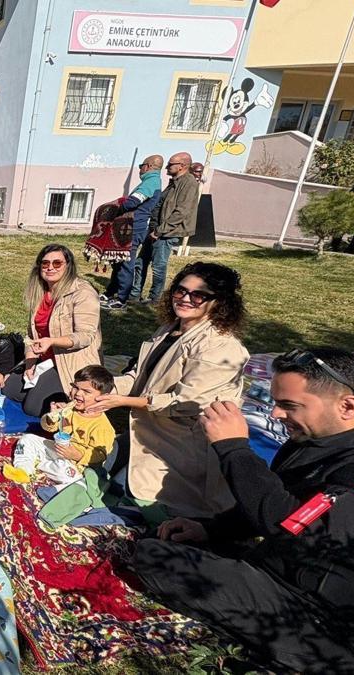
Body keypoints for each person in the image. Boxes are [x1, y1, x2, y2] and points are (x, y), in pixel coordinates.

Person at [132, 348, 354, 673]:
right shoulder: (330, 438)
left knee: (159, 559)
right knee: (166, 543)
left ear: (347, 406)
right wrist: (212, 528)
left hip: (344, 626)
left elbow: (297, 527)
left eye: (289, 405)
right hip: (298, 570)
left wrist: (233, 448)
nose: (275, 413)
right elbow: (291, 501)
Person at [88, 262, 248, 518]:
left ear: (218, 302)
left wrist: (122, 401)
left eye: (198, 295)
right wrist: (99, 390)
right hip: (146, 431)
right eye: (180, 291)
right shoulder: (169, 330)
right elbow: (138, 376)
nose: (185, 299)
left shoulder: (221, 348)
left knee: (126, 497)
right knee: (97, 470)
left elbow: (186, 403)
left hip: (181, 446)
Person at [0, 244, 101, 417]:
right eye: (45, 264)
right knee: (8, 389)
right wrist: (29, 364)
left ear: (68, 265)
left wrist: (52, 341)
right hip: (45, 359)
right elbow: (31, 337)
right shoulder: (40, 293)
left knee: (33, 407)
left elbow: (86, 336)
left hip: (69, 362)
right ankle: (44, 387)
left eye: (57, 263)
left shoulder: (83, 293)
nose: (50, 268)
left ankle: (72, 398)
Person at [13, 365, 116, 487]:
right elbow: (50, 428)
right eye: (75, 387)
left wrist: (78, 455)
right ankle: (23, 470)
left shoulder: (102, 427)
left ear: (103, 398)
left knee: (66, 473)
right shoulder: (70, 408)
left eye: (86, 392)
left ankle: (42, 464)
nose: (77, 393)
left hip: (76, 463)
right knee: (27, 439)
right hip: (58, 449)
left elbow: (100, 455)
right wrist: (53, 417)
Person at [135, 152, 198, 304]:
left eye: (170, 164)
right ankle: (134, 294)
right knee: (140, 262)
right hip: (155, 230)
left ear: (182, 166)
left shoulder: (189, 183)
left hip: (167, 233)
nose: (167, 168)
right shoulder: (174, 182)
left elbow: (181, 212)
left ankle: (154, 298)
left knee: (158, 266)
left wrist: (159, 231)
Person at [103, 155, 164, 310]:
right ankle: (111, 292)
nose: (139, 169)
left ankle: (121, 299)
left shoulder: (151, 182)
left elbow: (133, 202)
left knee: (125, 262)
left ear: (148, 166)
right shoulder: (151, 181)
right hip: (131, 226)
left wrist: (117, 207)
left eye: (141, 166)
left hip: (133, 227)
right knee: (119, 260)